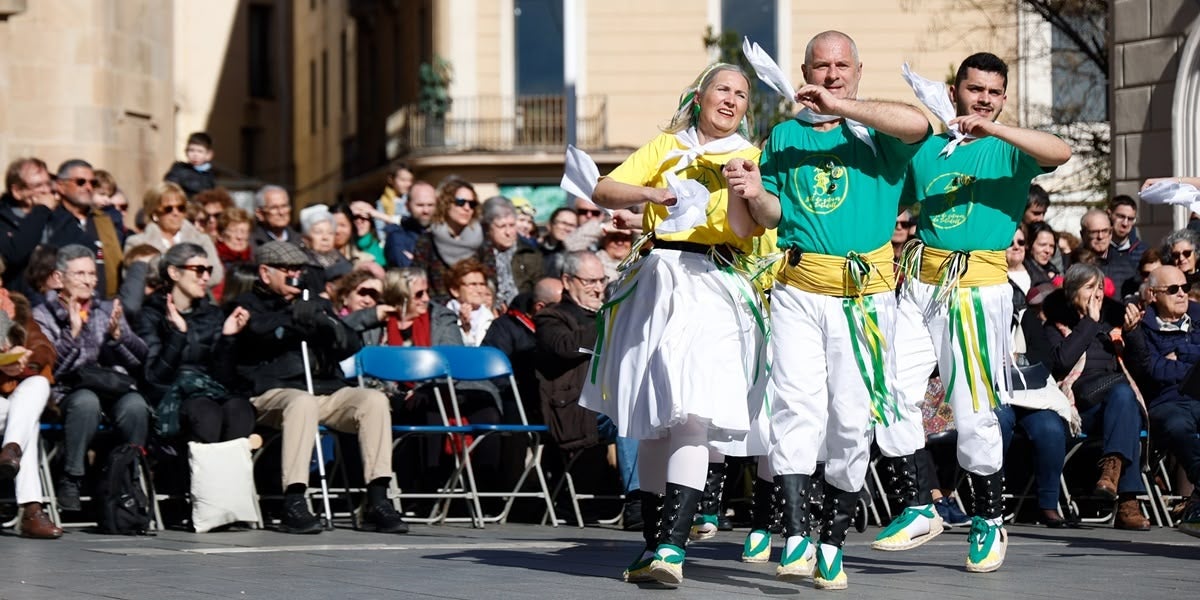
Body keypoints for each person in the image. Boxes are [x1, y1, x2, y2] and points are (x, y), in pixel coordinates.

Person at [727, 31, 930, 589]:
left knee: (851, 418)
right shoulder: (784, 135)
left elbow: (919, 124)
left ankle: (833, 540)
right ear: (805, 72)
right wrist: (753, 191)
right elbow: (772, 215)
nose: (832, 74)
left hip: (863, 298)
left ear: (858, 72)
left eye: (842, 66)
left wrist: (842, 108)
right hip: (798, 289)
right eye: (822, 66)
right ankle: (796, 534)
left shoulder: (877, 131)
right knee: (794, 408)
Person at [872, 52, 1070, 575]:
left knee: (973, 410)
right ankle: (918, 506)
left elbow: (1061, 150)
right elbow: (890, 202)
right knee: (888, 389)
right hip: (920, 283)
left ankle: (989, 518)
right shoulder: (929, 150)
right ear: (953, 91)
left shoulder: (1009, 149)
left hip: (976, 290)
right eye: (974, 88)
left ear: (1002, 99)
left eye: (993, 92)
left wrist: (993, 129)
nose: (983, 98)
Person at [584, 61, 767, 587]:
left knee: (693, 411)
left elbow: (745, 231)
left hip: (714, 282)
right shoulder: (667, 146)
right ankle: (653, 544)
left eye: (741, 94)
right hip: (657, 281)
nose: (730, 100)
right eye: (722, 89)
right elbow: (603, 189)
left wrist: (742, 188)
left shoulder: (750, 156)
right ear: (699, 97)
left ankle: (672, 545)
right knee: (651, 416)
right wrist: (650, 194)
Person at [228, 241, 407, 534]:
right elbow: (256, 335)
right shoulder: (248, 303)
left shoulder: (314, 303)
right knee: (303, 403)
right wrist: (290, 318)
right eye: (286, 269)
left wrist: (328, 323)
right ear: (265, 273)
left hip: (325, 389)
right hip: (274, 392)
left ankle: (377, 499)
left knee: (373, 400)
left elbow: (350, 344)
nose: (294, 275)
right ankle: (294, 501)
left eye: (298, 269)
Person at [33, 245, 150, 512]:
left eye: (92, 274)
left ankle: (130, 479)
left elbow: (140, 359)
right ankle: (71, 478)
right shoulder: (43, 315)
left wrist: (119, 337)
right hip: (66, 393)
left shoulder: (106, 310)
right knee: (86, 401)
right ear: (59, 278)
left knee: (135, 405)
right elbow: (48, 369)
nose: (88, 280)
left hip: (110, 388)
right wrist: (72, 334)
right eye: (80, 274)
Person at [1042, 263, 1150, 531]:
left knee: (1124, 397)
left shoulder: (1112, 325)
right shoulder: (1056, 325)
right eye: (1089, 287)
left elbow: (1141, 369)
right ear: (1072, 292)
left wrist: (1134, 333)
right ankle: (1128, 503)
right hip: (1079, 405)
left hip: (1115, 407)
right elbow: (1061, 363)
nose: (1097, 293)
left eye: (1100, 287)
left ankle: (1111, 473)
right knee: (1124, 396)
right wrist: (1089, 322)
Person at [536, 252, 641, 527]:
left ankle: (684, 500)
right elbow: (565, 347)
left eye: (601, 280)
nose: (597, 288)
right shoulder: (551, 317)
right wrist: (609, 319)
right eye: (589, 281)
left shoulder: (611, 316)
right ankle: (638, 500)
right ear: (567, 280)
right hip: (575, 409)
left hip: (610, 403)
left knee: (657, 414)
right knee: (627, 416)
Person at [135, 243, 255, 443]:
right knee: (205, 412)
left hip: (208, 390)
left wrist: (228, 338)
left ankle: (229, 465)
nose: (206, 277)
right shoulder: (150, 315)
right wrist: (178, 334)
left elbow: (223, 378)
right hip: (169, 397)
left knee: (240, 410)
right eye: (199, 270)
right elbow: (154, 378)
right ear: (174, 272)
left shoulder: (212, 315)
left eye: (208, 270)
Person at [1126, 264, 1200, 536]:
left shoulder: (1198, 315)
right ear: (1153, 295)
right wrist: (1192, 362)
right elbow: (1152, 370)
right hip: (1165, 403)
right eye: (1173, 289)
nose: (1182, 294)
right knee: (1178, 425)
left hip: (1197, 396)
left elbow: (1164, 365)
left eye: (1185, 287)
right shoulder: (1141, 327)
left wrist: (1179, 354)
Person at [0, 293, 60, 538]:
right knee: (28, 422)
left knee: (38, 384)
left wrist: (24, 360)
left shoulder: (15, 308)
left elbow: (46, 349)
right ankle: (32, 510)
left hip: (12, 400)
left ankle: (11, 449)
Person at [43, 159, 124, 299]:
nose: (88, 187)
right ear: (61, 186)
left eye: (93, 183)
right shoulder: (50, 219)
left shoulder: (103, 219)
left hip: (103, 304)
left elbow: (115, 264)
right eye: (81, 182)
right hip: (61, 303)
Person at [125, 181, 224, 289]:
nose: (176, 213)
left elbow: (215, 275)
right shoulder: (136, 243)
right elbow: (132, 279)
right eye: (168, 209)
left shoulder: (201, 240)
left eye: (181, 208)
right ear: (154, 213)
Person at [410, 177, 484, 301]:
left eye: (472, 204)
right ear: (446, 203)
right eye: (460, 202)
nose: (467, 208)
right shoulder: (428, 241)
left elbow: (491, 280)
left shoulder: (483, 240)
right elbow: (418, 282)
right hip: (437, 308)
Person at [1, 158, 57, 293]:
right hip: (19, 298)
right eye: (38, 185)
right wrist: (41, 210)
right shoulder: (3, 219)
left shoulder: (60, 216)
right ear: (17, 191)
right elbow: (15, 254)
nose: (46, 190)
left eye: (48, 184)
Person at [476, 196, 543, 308]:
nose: (508, 232)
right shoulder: (478, 254)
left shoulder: (530, 253)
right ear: (487, 228)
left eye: (512, 225)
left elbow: (539, 289)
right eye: (501, 226)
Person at [1079, 209, 1136, 298]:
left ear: (1111, 233)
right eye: (1094, 232)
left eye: (1105, 231)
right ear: (1083, 234)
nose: (1100, 237)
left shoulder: (1126, 263)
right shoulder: (1071, 262)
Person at [382, 181, 436, 267]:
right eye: (420, 205)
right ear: (407, 206)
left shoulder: (444, 233)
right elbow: (404, 268)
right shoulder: (397, 238)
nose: (426, 210)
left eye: (430, 205)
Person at [445, 258, 496, 346]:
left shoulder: (490, 318)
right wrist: (465, 331)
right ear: (455, 290)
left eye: (482, 284)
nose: (479, 290)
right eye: (473, 285)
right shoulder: (443, 319)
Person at [164, 131, 217, 198]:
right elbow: (170, 188)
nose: (195, 155)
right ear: (186, 152)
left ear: (209, 155)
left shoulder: (213, 174)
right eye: (191, 150)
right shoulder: (178, 170)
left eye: (200, 151)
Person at [539, 207, 578, 277]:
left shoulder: (578, 254)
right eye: (564, 223)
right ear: (549, 225)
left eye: (572, 225)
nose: (567, 228)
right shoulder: (534, 250)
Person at [1108, 195, 1144, 265]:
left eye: (1130, 219)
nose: (1125, 223)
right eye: (1121, 216)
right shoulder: (1097, 249)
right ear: (1109, 214)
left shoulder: (1143, 252)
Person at [1024, 221, 1060, 288]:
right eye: (1042, 245)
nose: (1048, 250)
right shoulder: (1023, 272)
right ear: (1028, 244)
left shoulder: (1052, 270)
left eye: (1051, 246)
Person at [1008, 228, 1031, 297]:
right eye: (1010, 243)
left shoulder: (1038, 270)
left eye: (1021, 242)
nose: (1016, 247)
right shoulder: (995, 280)